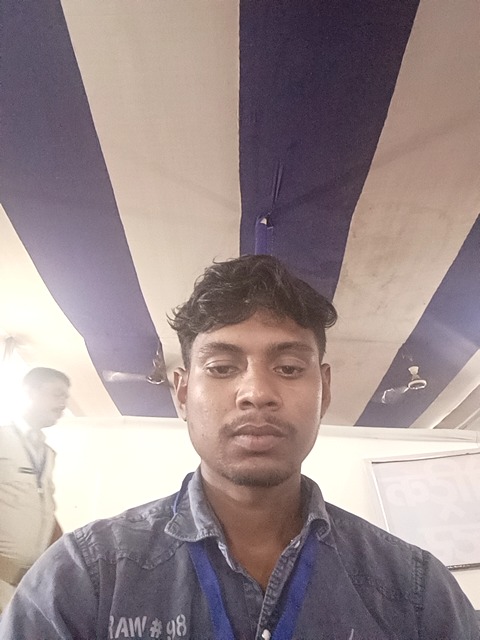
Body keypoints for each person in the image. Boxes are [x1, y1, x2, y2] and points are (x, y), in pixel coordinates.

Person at [0, 256, 478, 639]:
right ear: (182, 393)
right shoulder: (84, 578)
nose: (256, 392)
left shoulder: (417, 591)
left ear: (325, 390)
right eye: (222, 368)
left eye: (289, 368)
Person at [0, 367, 70, 613]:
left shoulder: (47, 453)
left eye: (66, 397)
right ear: (30, 392)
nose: (64, 404)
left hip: (25, 588)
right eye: (58, 394)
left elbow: (44, 511)